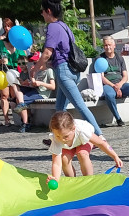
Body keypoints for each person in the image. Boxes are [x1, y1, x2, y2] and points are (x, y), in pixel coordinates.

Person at [37, 1, 105, 138]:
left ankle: (99, 136)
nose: (41, 14)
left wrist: (35, 68)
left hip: (64, 73)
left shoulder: (52, 27)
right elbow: (64, 51)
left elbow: (47, 53)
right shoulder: (64, 26)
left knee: (80, 106)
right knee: (59, 109)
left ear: (49, 11)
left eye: (42, 11)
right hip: (72, 70)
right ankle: (56, 139)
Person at [47, 110, 123, 182]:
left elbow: (101, 143)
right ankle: (71, 181)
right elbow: (56, 162)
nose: (62, 140)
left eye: (65, 136)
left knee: (82, 154)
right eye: (58, 136)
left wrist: (115, 156)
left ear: (73, 129)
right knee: (64, 159)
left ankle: (88, 180)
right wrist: (55, 178)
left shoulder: (83, 131)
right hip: (69, 145)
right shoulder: (56, 138)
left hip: (83, 141)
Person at [98, 36, 129, 127]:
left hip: (120, 84)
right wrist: (114, 86)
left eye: (109, 45)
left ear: (114, 45)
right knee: (109, 94)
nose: (108, 47)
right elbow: (102, 78)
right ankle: (118, 119)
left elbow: (125, 76)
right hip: (108, 85)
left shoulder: (119, 58)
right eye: (105, 45)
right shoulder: (100, 59)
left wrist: (119, 85)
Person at [15, 54, 55, 133]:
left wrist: (40, 83)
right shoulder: (36, 71)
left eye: (36, 62)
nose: (34, 64)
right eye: (33, 62)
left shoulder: (49, 71)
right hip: (35, 90)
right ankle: (24, 111)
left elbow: (53, 87)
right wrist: (31, 79)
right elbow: (33, 83)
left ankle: (26, 123)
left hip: (42, 94)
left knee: (19, 100)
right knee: (17, 91)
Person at [0, 20, 20, 126]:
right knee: (4, 95)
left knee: (14, 95)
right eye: (5, 26)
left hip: (14, 70)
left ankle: (17, 118)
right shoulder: (0, 43)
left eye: (9, 26)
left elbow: (23, 58)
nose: (7, 28)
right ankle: (6, 118)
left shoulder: (18, 43)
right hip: (2, 70)